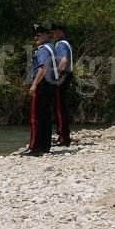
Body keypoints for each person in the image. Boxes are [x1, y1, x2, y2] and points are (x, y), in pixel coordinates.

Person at [22, 24, 58, 156]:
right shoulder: (52, 47)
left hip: (42, 84)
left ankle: (34, 147)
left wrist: (34, 85)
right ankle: (45, 146)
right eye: (34, 36)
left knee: (35, 116)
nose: (35, 38)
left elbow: (43, 68)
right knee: (46, 116)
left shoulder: (43, 50)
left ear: (44, 35)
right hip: (51, 84)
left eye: (37, 35)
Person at [51, 23, 74, 147]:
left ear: (59, 31)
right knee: (61, 107)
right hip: (66, 76)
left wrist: (56, 74)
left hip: (62, 76)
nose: (52, 34)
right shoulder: (65, 43)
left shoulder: (61, 44)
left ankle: (63, 137)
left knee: (59, 108)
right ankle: (64, 135)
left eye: (54, 32)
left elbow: (64, 60)